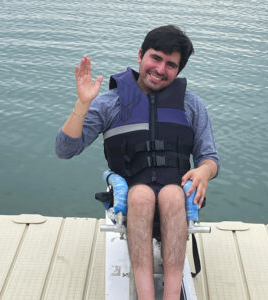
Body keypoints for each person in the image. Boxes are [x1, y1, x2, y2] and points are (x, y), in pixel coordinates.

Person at [55, 25, 219, 300]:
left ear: (178, 71)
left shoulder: (192, 105)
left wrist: (204, 171)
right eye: (155, 58)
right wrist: (83, 104)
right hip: (131, 190)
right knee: (142, 196)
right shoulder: (109, 103)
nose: (160, 69)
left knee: (170, 195)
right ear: (140, 55)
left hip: (175, 191)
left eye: (170, 64)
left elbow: (209, 157)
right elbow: (65, 149)